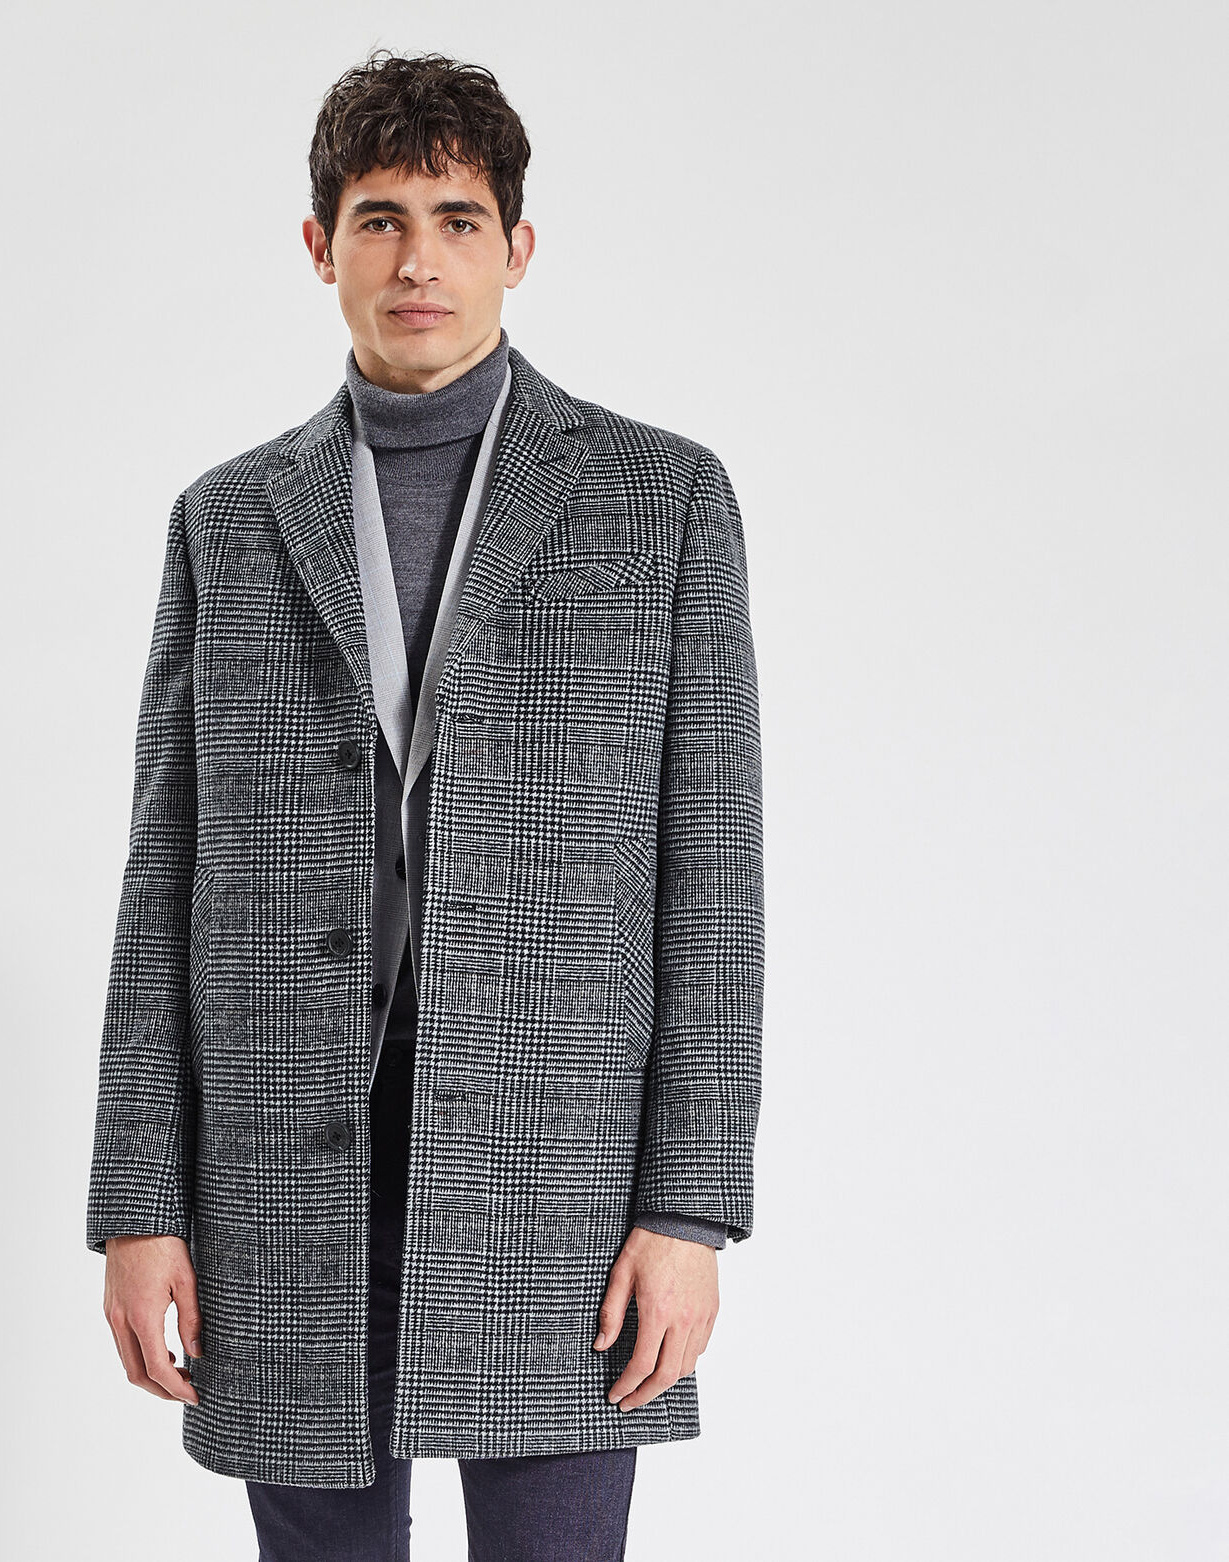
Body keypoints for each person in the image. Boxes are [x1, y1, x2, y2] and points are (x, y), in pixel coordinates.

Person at [86, 47, 764, 1562]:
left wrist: (689, 1210)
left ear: (517, 248)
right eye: (380, 219)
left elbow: (713, 882)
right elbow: (163, 880)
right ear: (319, 245)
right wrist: (138, 1201)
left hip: (564, 1170)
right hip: (283, 1164)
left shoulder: (661, 501)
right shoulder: (227, 521)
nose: (417, 261)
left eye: (456, 221)